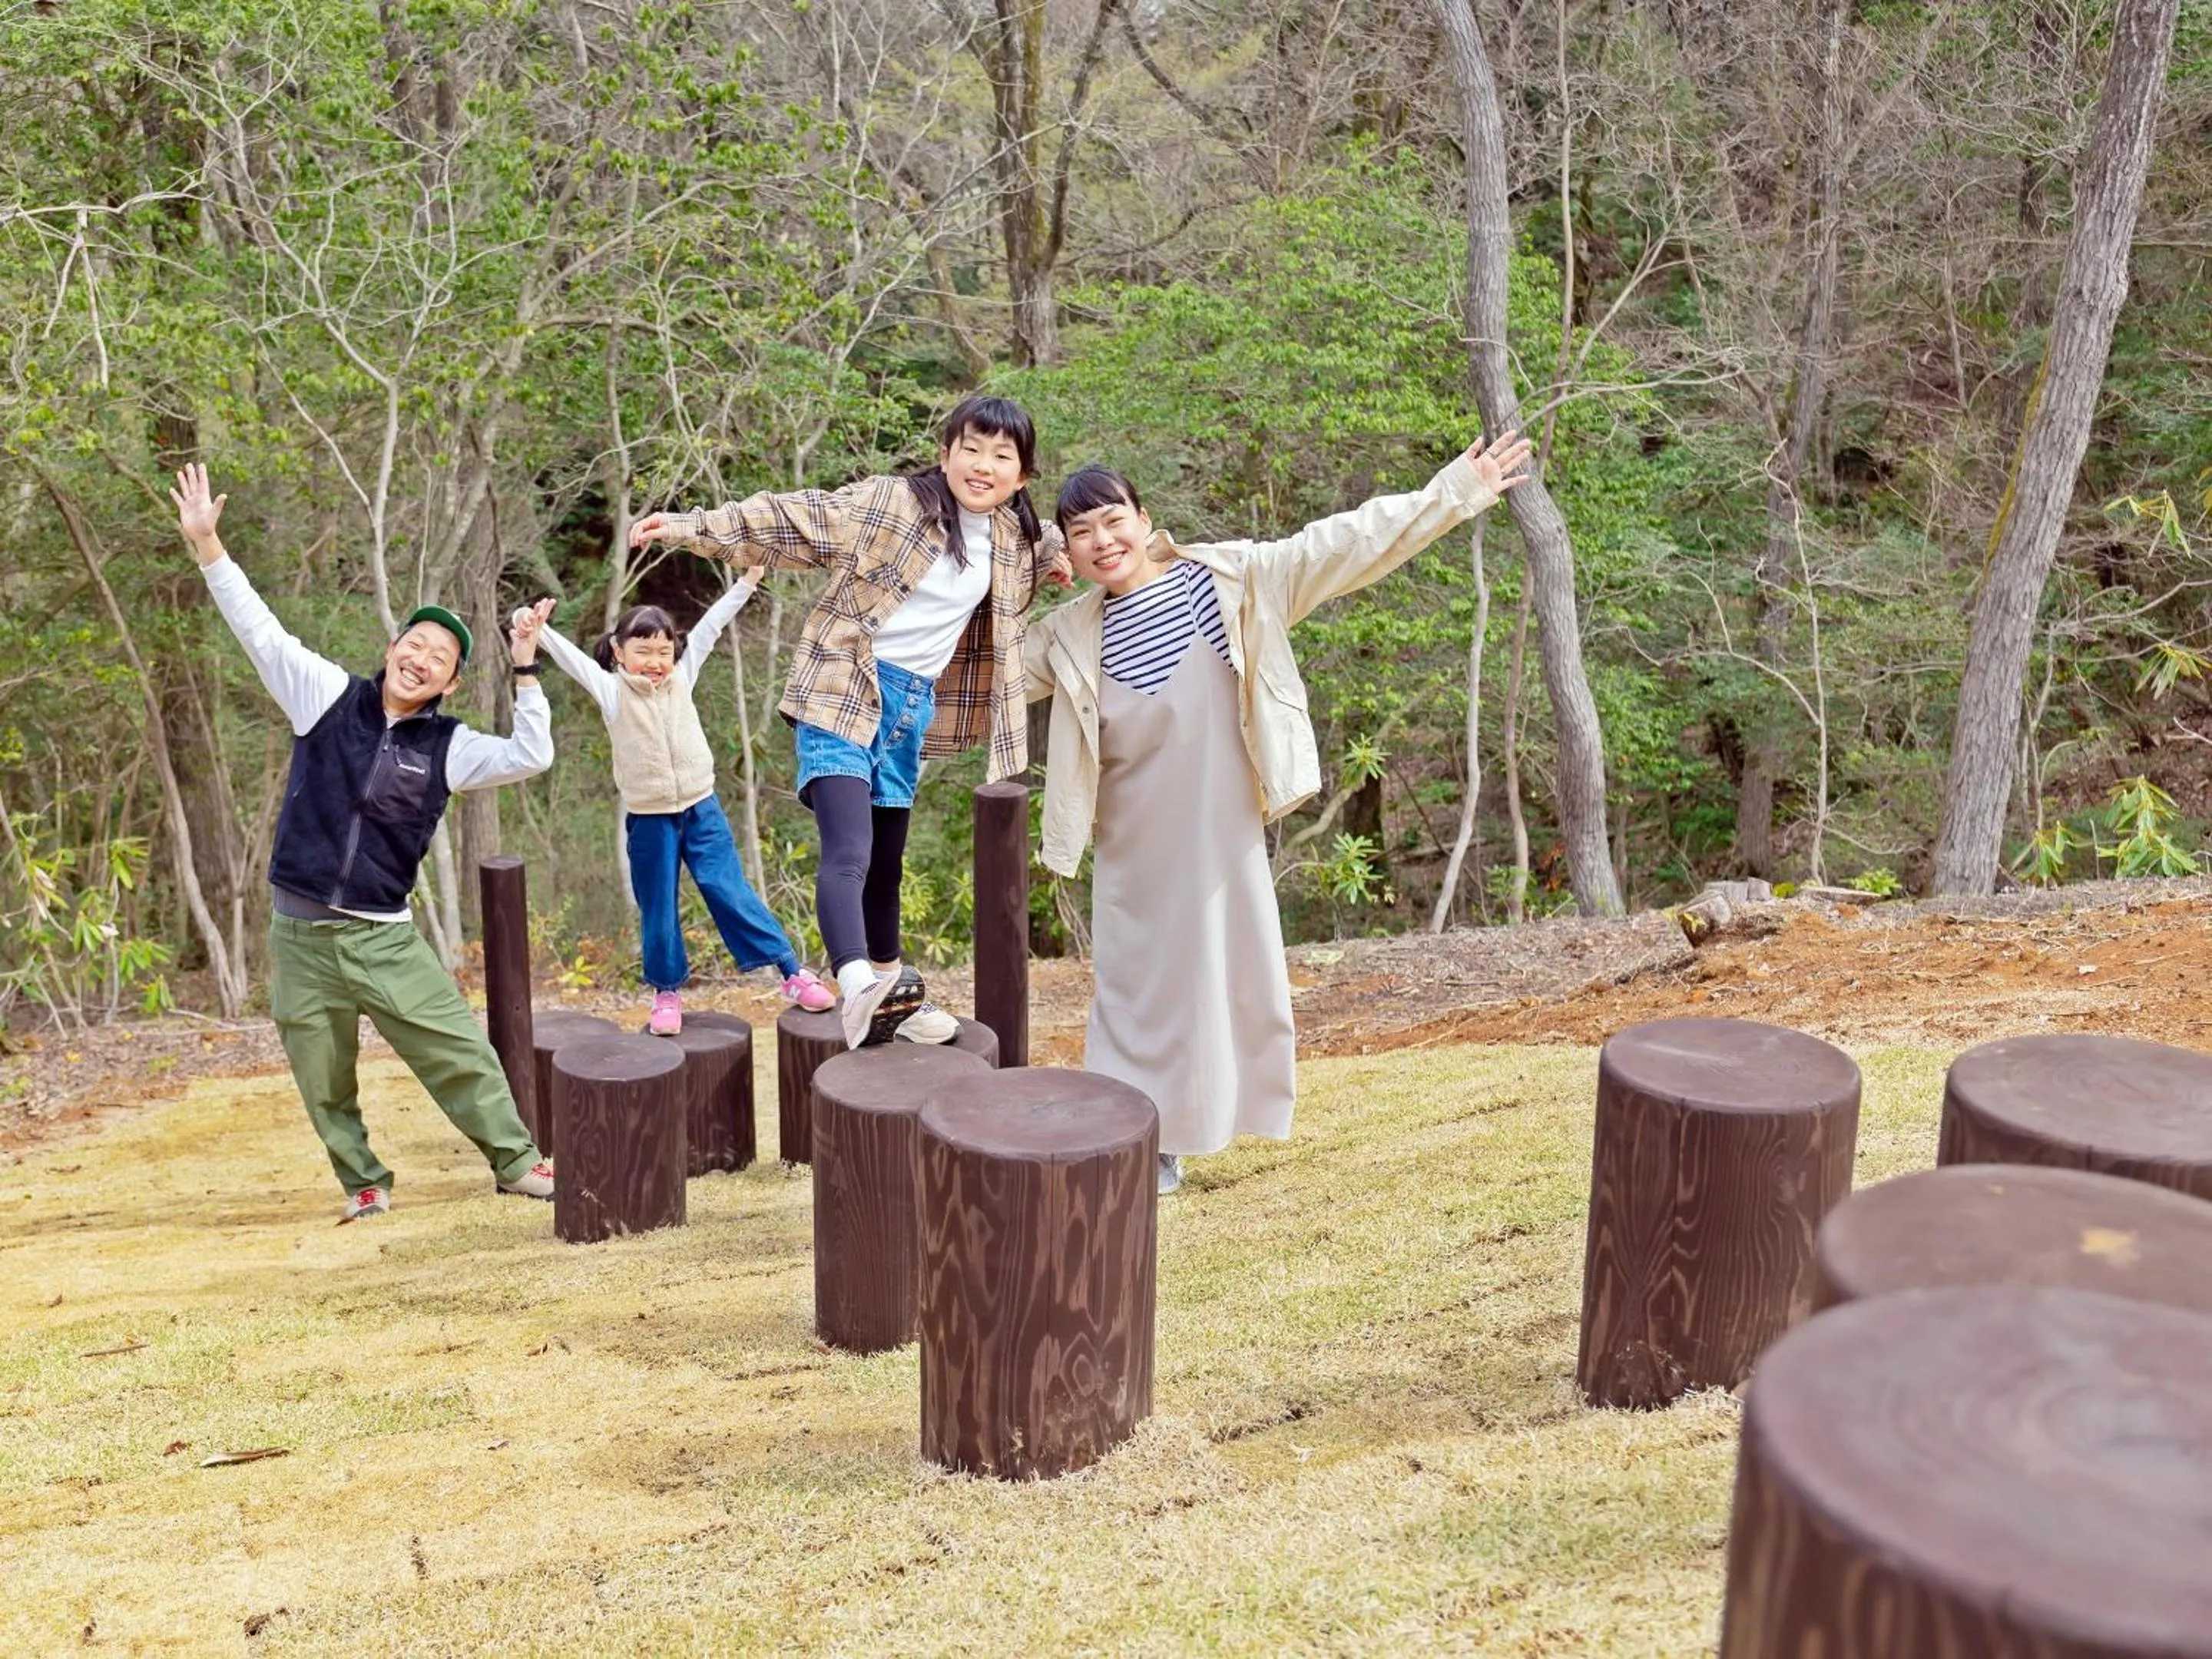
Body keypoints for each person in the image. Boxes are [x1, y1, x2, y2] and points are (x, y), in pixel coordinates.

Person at [1025, 432, 1535, 1194]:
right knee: (1130, 985)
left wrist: (1454, 492)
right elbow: (982, 671)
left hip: (1220, 817)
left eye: (1113, 521)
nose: (1102, 542)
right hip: (1130, 832)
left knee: (1219, 972)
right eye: (1081, 533)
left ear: (1145, 518)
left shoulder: (1229, 579)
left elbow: (1345, 543)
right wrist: (1014, 572)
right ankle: (1133, 1133)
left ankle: (1190, 1127)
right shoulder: (1067, 632)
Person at [171, 462, 561, 1224]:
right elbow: (260, 629)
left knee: (457, 1052)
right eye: (413, 644)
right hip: (301, 937)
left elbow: (533, 756)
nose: (420, 658)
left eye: (439, 659)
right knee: (322, 1074)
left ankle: (516, 1163)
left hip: (383, 940)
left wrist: (524, 667)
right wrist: (209, 546)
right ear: (392, 648)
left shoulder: (449, 746)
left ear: (449, 683)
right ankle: (363, 1183)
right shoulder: (325, 697)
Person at [628, 395, 1068, 1050]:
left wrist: (1060, 556)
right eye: (970, 448)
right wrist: (694, 526)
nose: (982, 465)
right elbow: (793, 518)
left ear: (1022, 476)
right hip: (844, 684)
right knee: (852, 848)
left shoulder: (1013, 539)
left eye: (1001, 456)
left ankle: (891, 991)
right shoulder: (893, 505)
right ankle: (858, 983)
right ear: (945, 454)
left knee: (888, 861)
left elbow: (1064, 546)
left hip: (910, 709)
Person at [528, 585, 836, 1032]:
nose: (654, 662)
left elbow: (711, 626)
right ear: (618, 651)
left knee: (727, 888)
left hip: (701, 809)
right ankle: (666, 993)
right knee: (659, 907)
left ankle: (791, 972)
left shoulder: (682, 677)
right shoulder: (612, 692)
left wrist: (747, 584)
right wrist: (539, 631)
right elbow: (573, 662)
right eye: (643, 650)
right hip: (650, 819)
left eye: (663, 651)